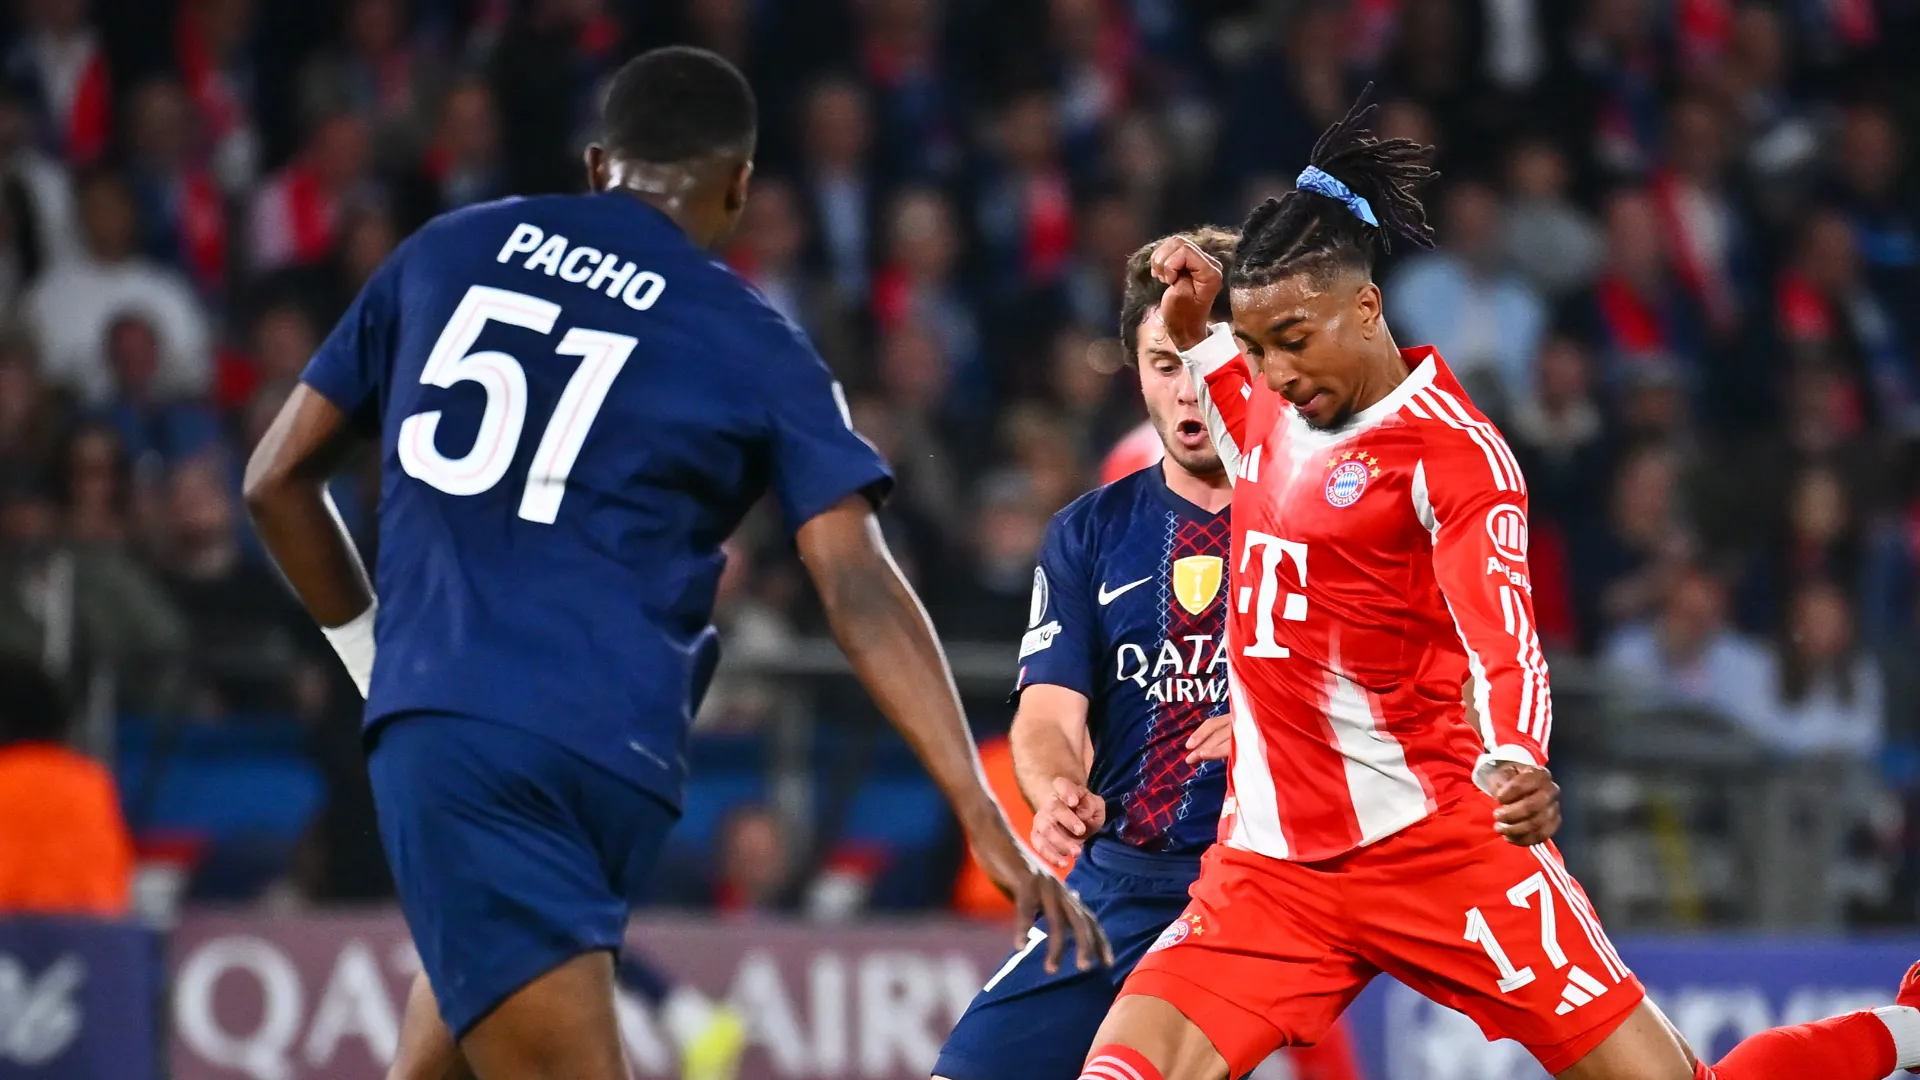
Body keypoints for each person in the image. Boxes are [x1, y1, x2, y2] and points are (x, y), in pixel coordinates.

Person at [243, 46, 1108, 1080]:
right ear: (738, 186)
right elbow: (859, 584)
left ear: (597, 163)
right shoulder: (755, 339)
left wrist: (374, 661)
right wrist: (978, 804)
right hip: (611, 757)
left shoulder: (444, 251)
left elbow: (275, 481)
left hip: (466, 736)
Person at [1073, 96, 1920, 1080]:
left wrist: (1518, 754)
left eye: (1292, 341)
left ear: (1366, 308)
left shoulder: (1454, 455)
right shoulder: (1266, 397)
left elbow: (1504, 633)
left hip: (1442, 851)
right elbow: (1223, 379)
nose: (1274, 371)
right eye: (1256, 347)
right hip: (1271, 870)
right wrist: (1193, 321)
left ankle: (1906, 1032)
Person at [935, 228, 1360, 1080]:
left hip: (1272, 886)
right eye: (1166, 364)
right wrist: (1056, 787)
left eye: (1208, 358)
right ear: (1136, 373)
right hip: (1121, 882)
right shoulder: (1089, 531)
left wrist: (1280, 724)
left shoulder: (1336, 509)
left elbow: (1412, 691)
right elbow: (1048, 712)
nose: (1190, 388)